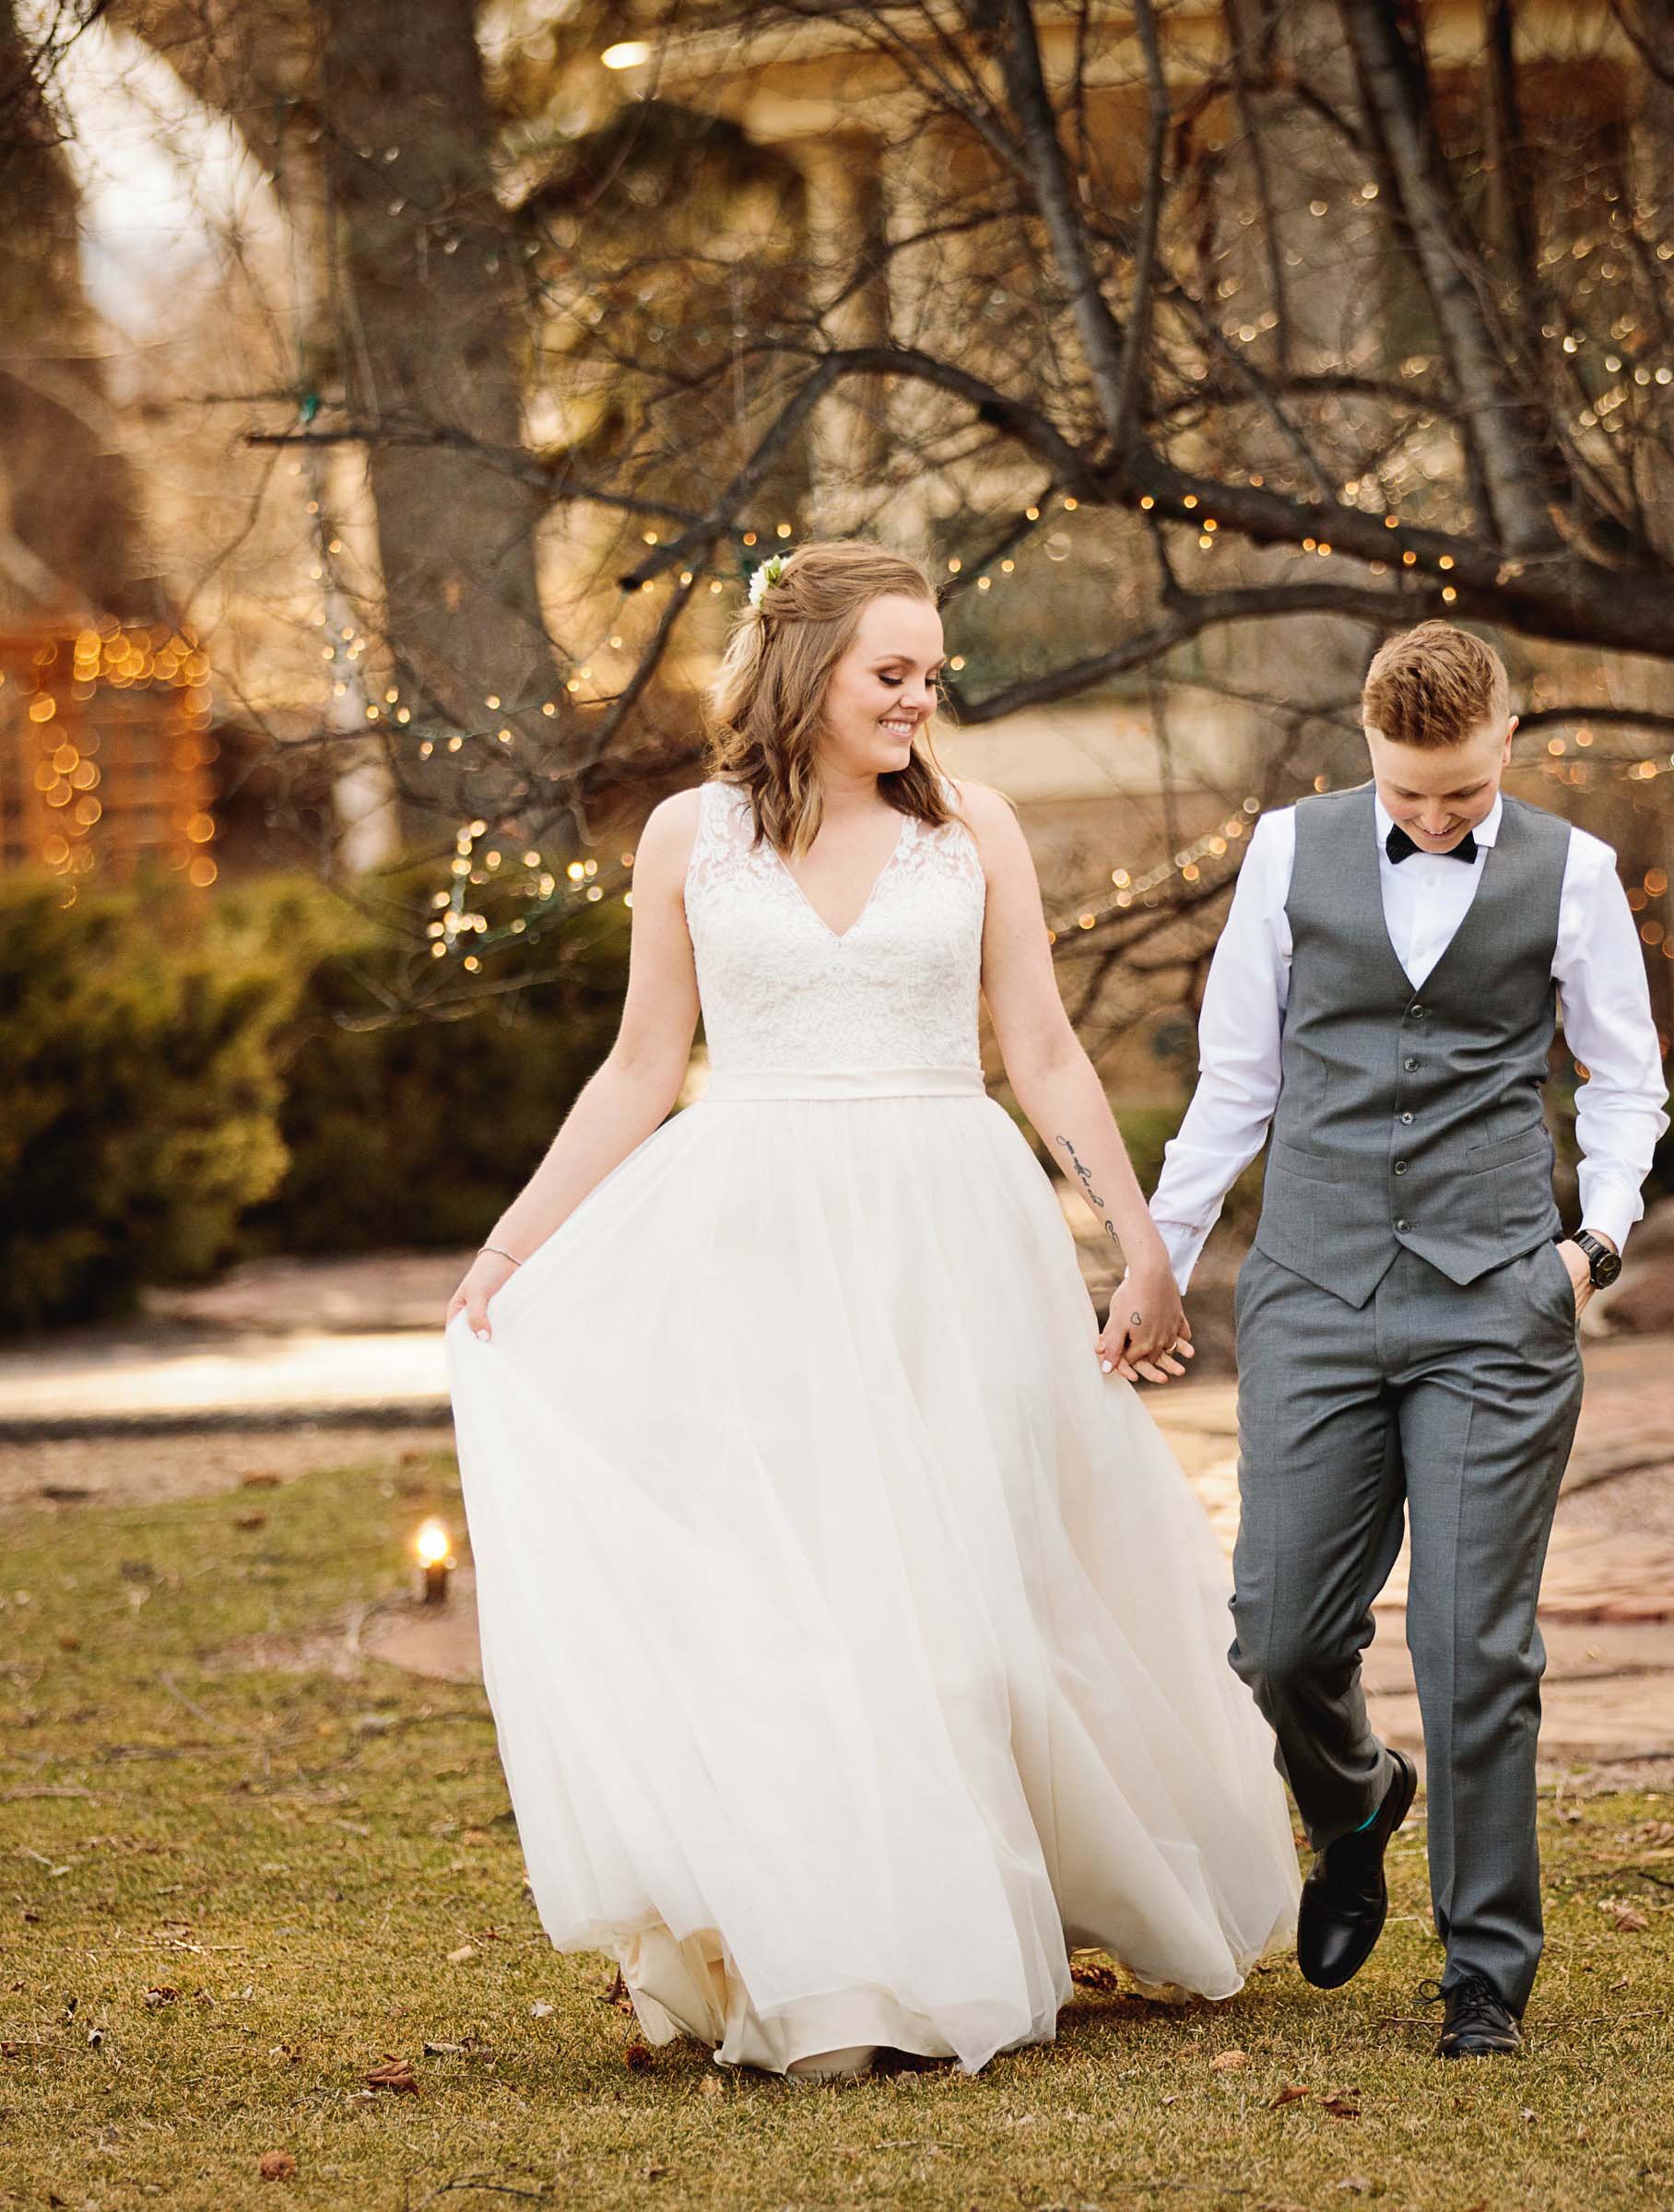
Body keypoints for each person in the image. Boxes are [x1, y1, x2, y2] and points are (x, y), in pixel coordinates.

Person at [443, 540, 1298, 2081]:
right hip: (756, 1236)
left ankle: (959, 1933)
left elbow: (1038, 1049)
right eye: (890, 670)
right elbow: (644, 1066)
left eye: (930, 669)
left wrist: (1143, 1240)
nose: (923, 695)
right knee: (799, 1594)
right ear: (805, 673)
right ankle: (832, 1962)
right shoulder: (687, 838)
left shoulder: (975, 829)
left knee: (963, 1598)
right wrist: (509, 1253)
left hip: (947, 1231)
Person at [1114, 621, 1667, 2061]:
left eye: (1463, 798)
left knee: (1472, 1645)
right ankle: (1355, 1799)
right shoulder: (1290, 855)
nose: (1434, 819)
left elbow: (1624, 1081)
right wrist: (1157, 1266)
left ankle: (1485, 1970)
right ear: (1368, 751)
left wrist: (1593, 1242)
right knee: (1280, 1634)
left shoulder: (1578, 874)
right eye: (1411, 796)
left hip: (1498, 1299)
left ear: (1505, 745)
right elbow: (1236, 1080)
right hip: (1312, 1286)